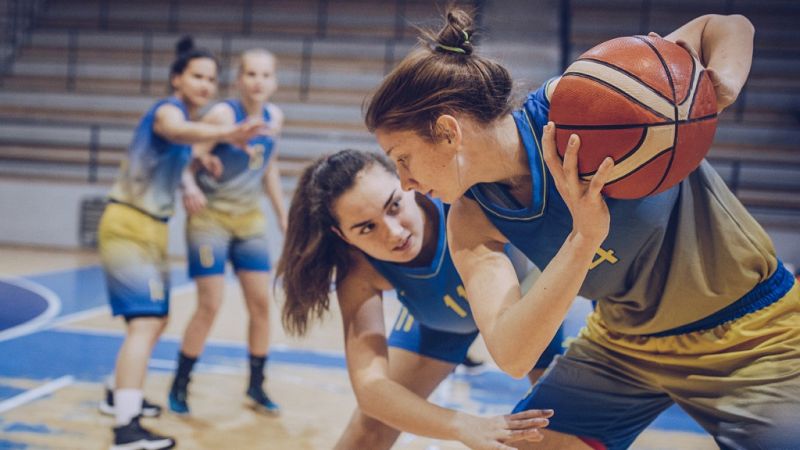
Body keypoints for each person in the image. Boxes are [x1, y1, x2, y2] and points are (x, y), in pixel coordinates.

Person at [365, 8, 800, 450]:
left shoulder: (583, 104)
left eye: (403, 158)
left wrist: (717, 85)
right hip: (623, 347)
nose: (406, 183)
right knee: (524, 444)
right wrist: (583, 239)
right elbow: (513, 354)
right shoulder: (471, 219)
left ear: (447, 131)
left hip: (752, 332)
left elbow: (726, 25)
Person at [277, 149, 556, 450]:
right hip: (442, 328)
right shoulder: (359, 269)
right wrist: (461, 425)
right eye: (367, 228)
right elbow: (370, 388)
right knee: (369, 429)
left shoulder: (462, 196)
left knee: (558, 430)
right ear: (343, 236)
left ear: (406, 182)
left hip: (532, 311)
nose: (394, 233)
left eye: (394, 206)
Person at [97, 36, 265, 450]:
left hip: (149, 229)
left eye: (211, 79)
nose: (206, 85)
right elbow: (176, 130)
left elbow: (180, 149)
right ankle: (126, 429)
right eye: (197, 76)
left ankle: (117, 393)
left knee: (155, 320)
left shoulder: (188, 126)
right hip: (130, 225)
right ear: (177, 79)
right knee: (146, 323)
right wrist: (227, 131)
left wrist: (197, 165)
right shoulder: (168, 110)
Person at [167, 48, 287, 416]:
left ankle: (256, 385)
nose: (258, 81)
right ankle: (181, 383)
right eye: (251, 74)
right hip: (211, 219)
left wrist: (283, 215)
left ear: (274, 82)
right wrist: (189, 184)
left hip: (249, 219)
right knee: (211, 303)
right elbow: (187, 157)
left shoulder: (274, 118)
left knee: (262, 304)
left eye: (265, 75)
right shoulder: (223, 114)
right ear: (238, 80)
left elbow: (267, 166)